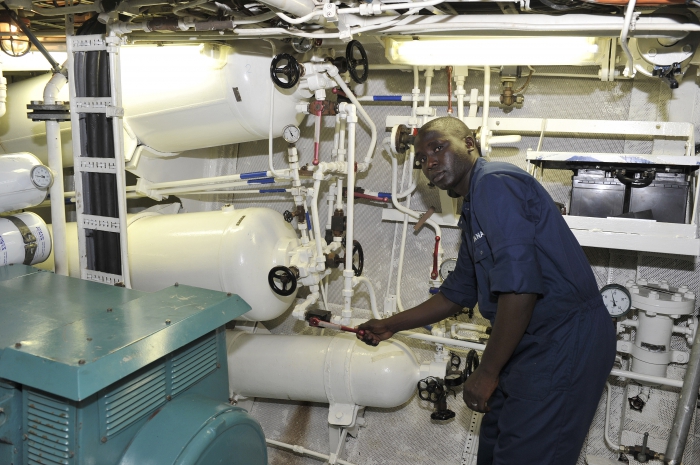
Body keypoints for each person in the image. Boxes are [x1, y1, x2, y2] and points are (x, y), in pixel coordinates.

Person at [357, 117, 616, 465]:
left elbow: (520, 290)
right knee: (496, 449)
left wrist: (488, 372)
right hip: (526, 344)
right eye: (421, 159)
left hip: (563, 342)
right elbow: (457, 294)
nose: (429, 162)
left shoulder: (495, 183)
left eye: (437, 148)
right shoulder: (473, 207)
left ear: (469, 143)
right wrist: (390, 325)